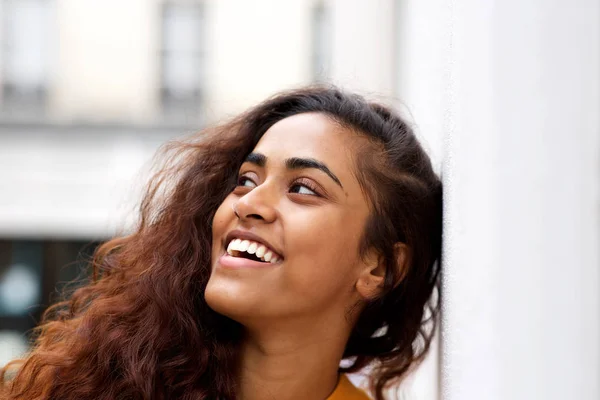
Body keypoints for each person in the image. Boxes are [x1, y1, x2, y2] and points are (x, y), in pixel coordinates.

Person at [0, 87, 442, 400]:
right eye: (246, 179)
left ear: (379, 267)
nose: (250, 203)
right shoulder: (86, 386)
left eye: (303, 188)